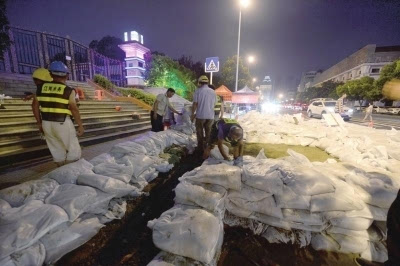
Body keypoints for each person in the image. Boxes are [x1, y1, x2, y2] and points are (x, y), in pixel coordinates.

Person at [31, 61, 84, 166]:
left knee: (56, 150)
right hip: (62, 122)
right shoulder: (68, 90)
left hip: (46, 123)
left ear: (50, 74)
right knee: (73, 150)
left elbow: (34, 106)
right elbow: (74, 108)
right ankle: (71, 174)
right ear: (67, 76)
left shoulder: (40, 88)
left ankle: (61, 173)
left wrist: (39, 123)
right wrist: (80, 125)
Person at [191, 75, 216, 151]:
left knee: (200, 133)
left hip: (200, 116)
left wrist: (192, 114)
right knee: (209, 133)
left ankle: (200, 149)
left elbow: (195, 104)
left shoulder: (198, 91)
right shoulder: (213, 92)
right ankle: (208, 149)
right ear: (207, 83)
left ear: (200, 82)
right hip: (210, 116)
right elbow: (214, 103)